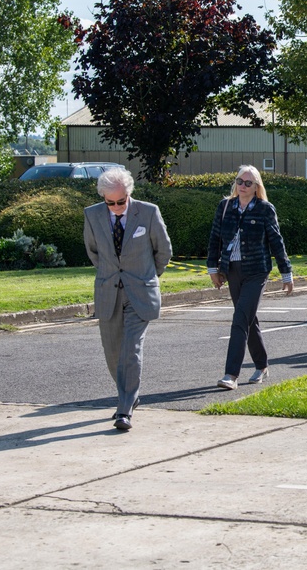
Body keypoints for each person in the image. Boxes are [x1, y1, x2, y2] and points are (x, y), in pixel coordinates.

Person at [84, 168, 172, 431]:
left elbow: (163, 250)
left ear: (129, 194)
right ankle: (130, 396)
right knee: (113, 353)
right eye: (110, 202)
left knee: (130, 350)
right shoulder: (92, 214)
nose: (115, 207)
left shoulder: (147, 212)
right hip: (109, 292)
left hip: (140, 293)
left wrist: (147, 276)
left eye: (120, 201)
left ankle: (124, 409)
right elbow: (94, 252)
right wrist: (111, 274)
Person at [207, 165, 294, 391]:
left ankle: (231, 374)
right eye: (240, 181)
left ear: (257, 187)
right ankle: (262, 365)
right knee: (248, 319)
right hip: (232, 270)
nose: (243, 186)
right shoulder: (225, 206)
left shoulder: (265, 209)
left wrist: (286, 273)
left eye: (248, 183)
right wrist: (212, 269)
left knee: (239, 319)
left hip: (257, 270)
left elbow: (277, 242)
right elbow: (215, 238)